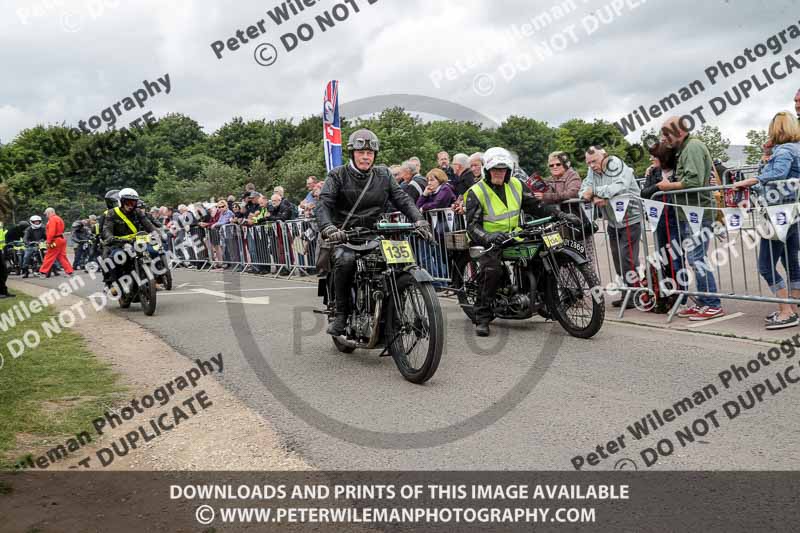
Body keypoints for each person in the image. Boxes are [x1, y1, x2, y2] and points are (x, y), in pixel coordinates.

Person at [317, 128, 432, 336]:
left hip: (374, 233)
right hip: (345, 235)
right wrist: (329, 228)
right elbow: (323, 204)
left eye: (369, 153)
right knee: (346, 260)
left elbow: (403, 199)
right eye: (361, 152)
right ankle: (342, 314)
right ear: (352, 153)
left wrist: (419, 220)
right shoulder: (337, 175)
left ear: (374, 155)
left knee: (398, 264)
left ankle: (392, 311)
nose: (365, 157)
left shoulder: (384, 174)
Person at [466, 147, 581, 337]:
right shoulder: (476, 191)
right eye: (495, 169)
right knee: (492, 270)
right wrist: (489, 237)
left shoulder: (517, 185)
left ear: (509, 170)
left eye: (503, 169)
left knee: (540, 255)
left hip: (514, 236)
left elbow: (538, 207)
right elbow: (472, 226)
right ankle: (482, 316)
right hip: (488, 241)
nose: (499, 173)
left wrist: (562, 214)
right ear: (487, 170)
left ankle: (546, 301)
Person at [733, 111, 800, 329]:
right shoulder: (793, 149)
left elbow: (777, 174)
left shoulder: (785, 150)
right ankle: (793, 308)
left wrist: (751, 180)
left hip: (778, 213)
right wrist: (766, 153)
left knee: (765, 265)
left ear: (776, 130)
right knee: (790, 262)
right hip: (791, 211)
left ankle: (786, 311)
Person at [659, 116, 724, 321]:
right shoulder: (685, 148)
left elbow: (693, 180)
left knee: (697, 258)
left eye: (666, 134)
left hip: (699, 213)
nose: (664, 138)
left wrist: (668, 186)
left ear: (680, 132)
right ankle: (704, 302)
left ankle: (713, 303)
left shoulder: (693, 147)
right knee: (694, 258)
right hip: (691, 213)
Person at [579, 147, 642, 309]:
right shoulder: (592, 171)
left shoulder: (617, 165)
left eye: (594, 161)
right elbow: (583, 190)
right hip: (612, 220)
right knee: (617, 259)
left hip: (630, 218)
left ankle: (634, 293)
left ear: (605, 157)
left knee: (627, 258)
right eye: (589, 162)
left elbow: (619, 187)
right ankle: (625, 292)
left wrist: (596, 191)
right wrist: (593, 195)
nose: (592, 165)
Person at [641, 143, 685, 310]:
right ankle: (666, 296)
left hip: (676, 219)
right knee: (662, 259)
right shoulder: (653, 172)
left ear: (664, 157)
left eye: (654, 155)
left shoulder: (679, 170)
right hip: (658, 219)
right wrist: (658, 186)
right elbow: (644, 193)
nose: (651, 158)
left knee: (676, 260)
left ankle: (681, 298)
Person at [102, 188, 157, 291]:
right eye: (127, 201)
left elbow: (149, 225)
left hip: (137, 241)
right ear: (121, 202)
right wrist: (110, 237)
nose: (130, 204)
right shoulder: (112, 213)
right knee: (115, 257)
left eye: (133, 202)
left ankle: (153, 279)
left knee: (153, 251)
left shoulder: (138, 212)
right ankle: (115, 284)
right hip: (119, 243)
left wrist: (157, 234)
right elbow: (106, 229)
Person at [39, 208, 74, 278]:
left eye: (46, 214)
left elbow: (52, 232)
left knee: (49, 256)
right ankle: (69, 272)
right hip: (61, 239)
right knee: (62, 257)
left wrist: (48, 241)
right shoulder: (59, 218)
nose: (46, 216)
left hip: (55, 240)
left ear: (50, 213)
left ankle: (43, 272)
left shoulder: (52, 219)